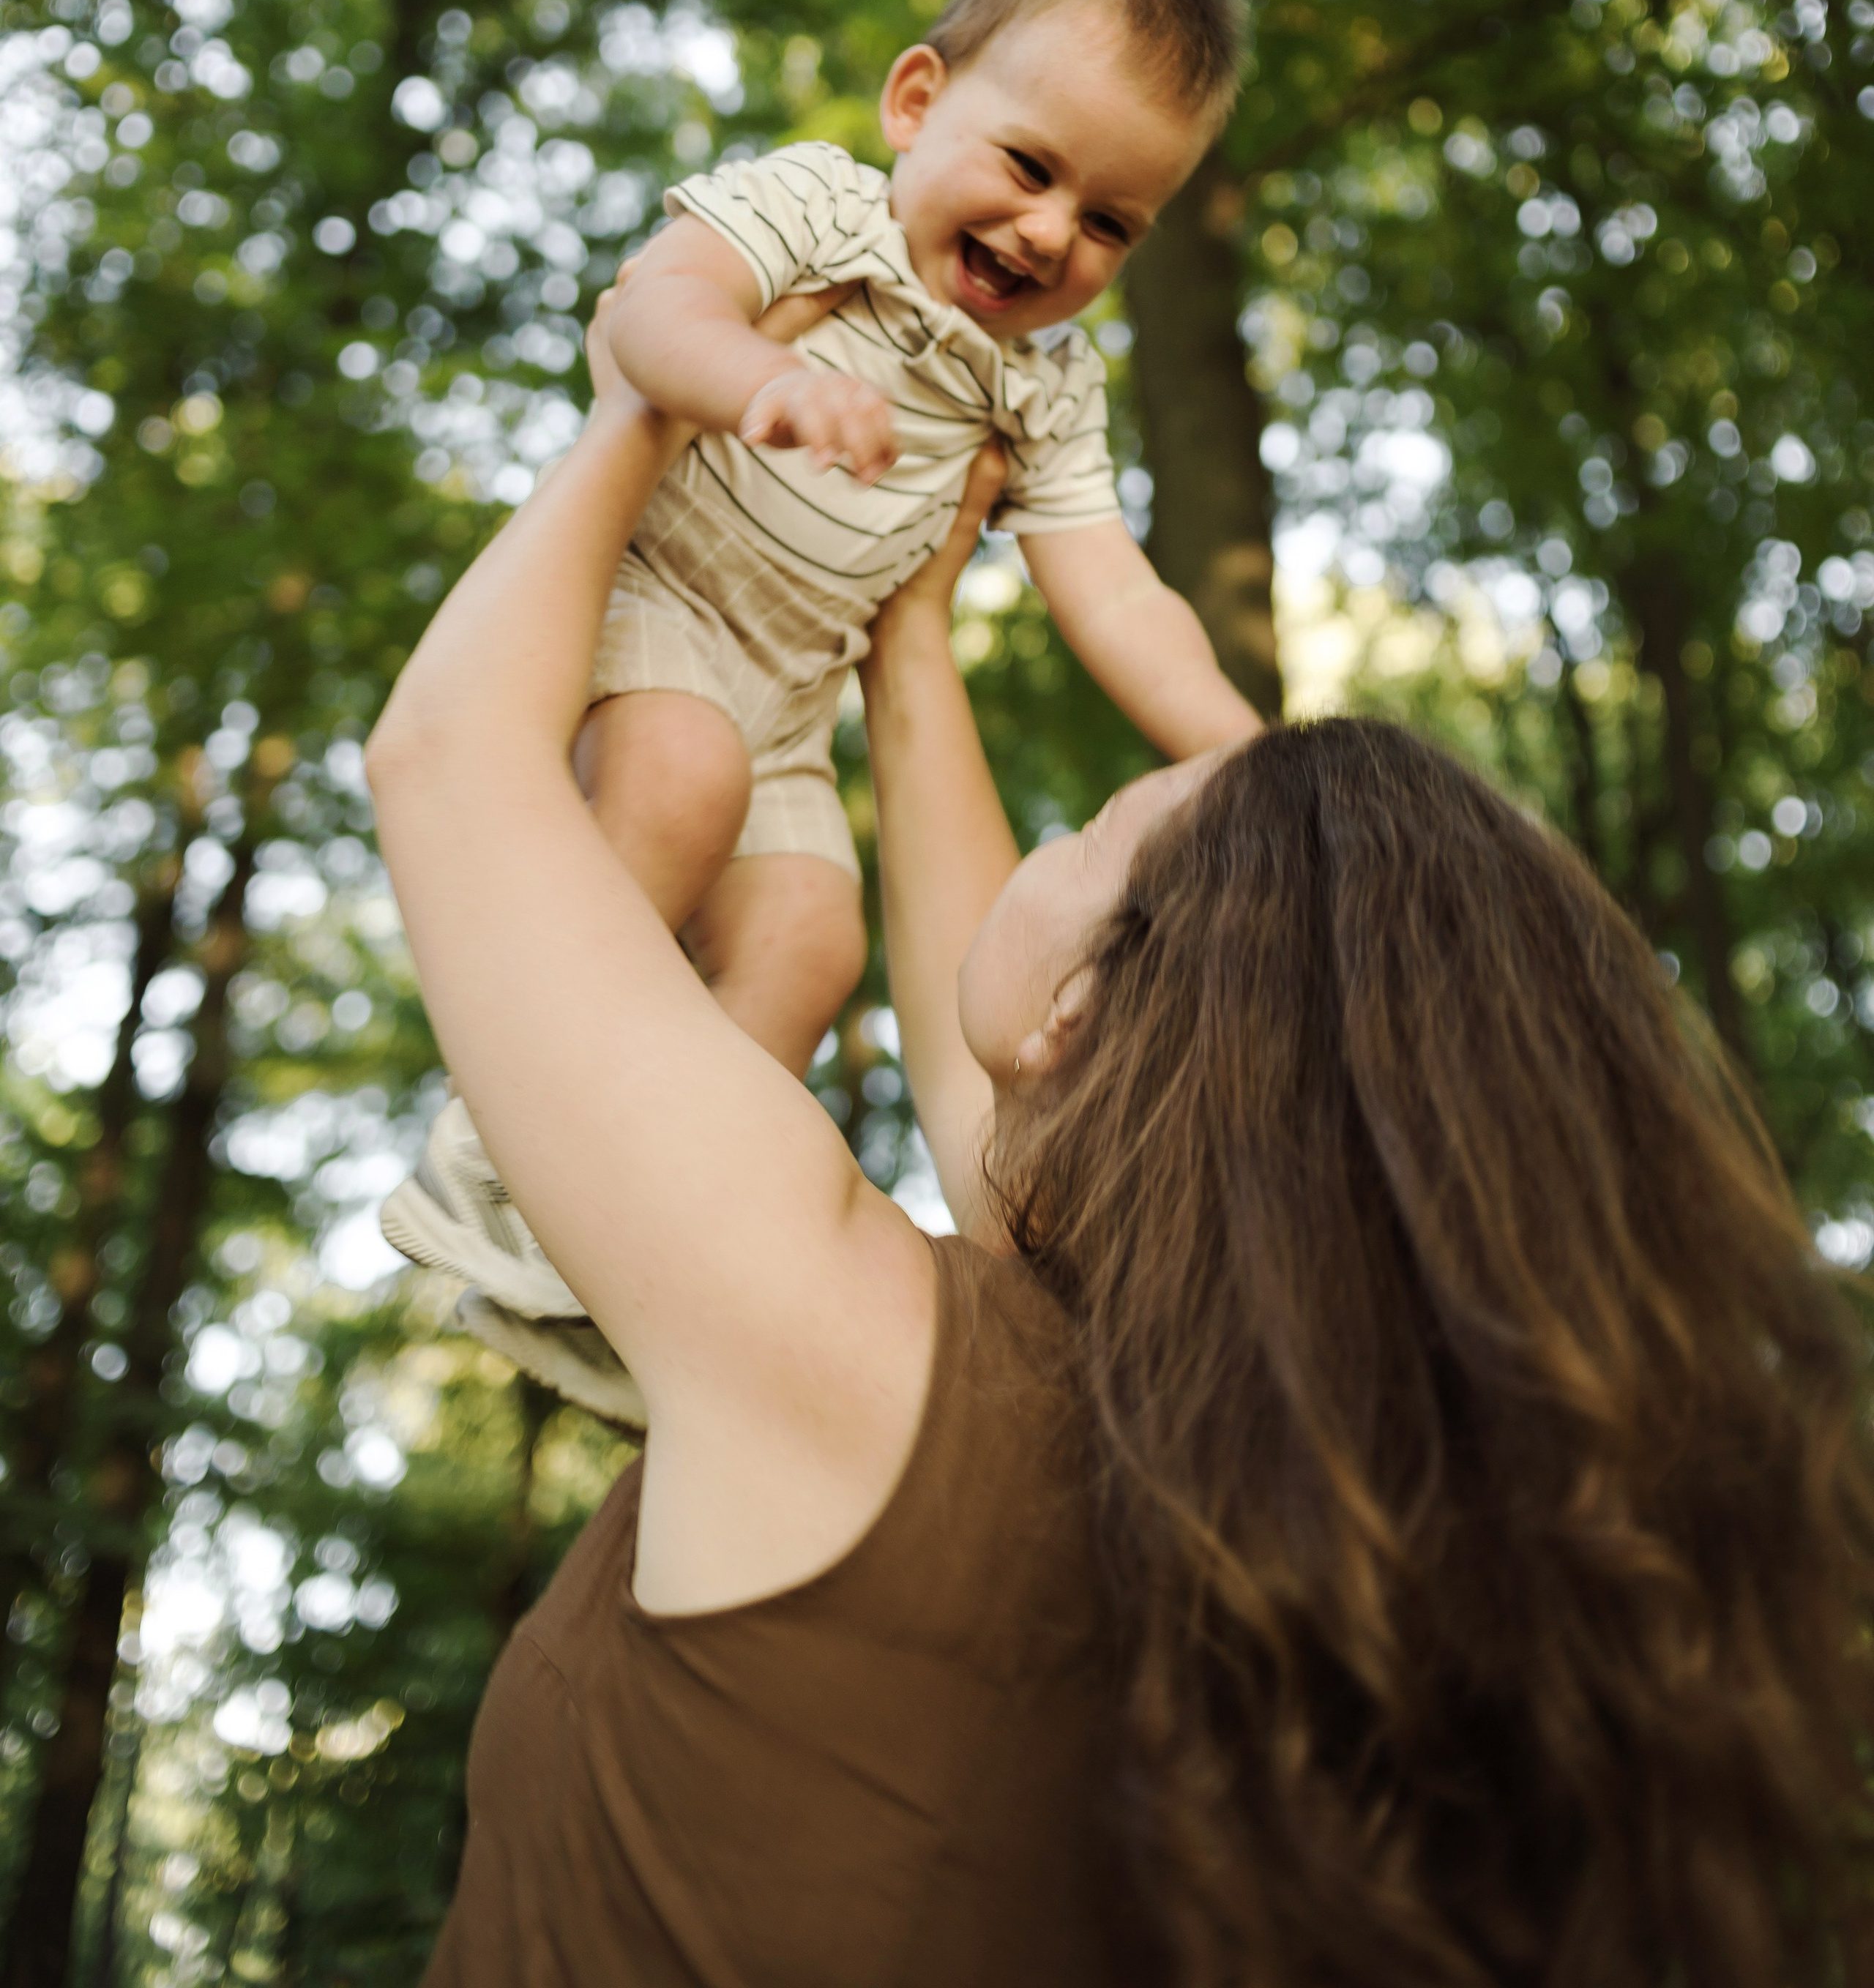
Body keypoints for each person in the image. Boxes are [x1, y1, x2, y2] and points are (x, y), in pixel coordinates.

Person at [369, 302, 1874, 1988]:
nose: (1052, 833)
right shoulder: (1291, 1520)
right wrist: (908, 630)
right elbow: (985, 1056)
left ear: (1080, 1003)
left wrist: (653, 392)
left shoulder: (855, 1346)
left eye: (1090, 826)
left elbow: (447, 760)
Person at [381, 0, 1261, 1408]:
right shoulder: (819, 210)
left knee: (808, 940)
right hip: (652, 597)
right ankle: (494, 1150)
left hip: (785, 703)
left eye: (1109, 222)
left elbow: (1112, 592)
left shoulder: (1045, 388)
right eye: (1030, 169)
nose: (1052, 234)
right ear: (915, 104)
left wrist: (1247, 762)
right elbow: (652, 310)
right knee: (676, 773)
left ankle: (625, 1220)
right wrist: (762, 377)